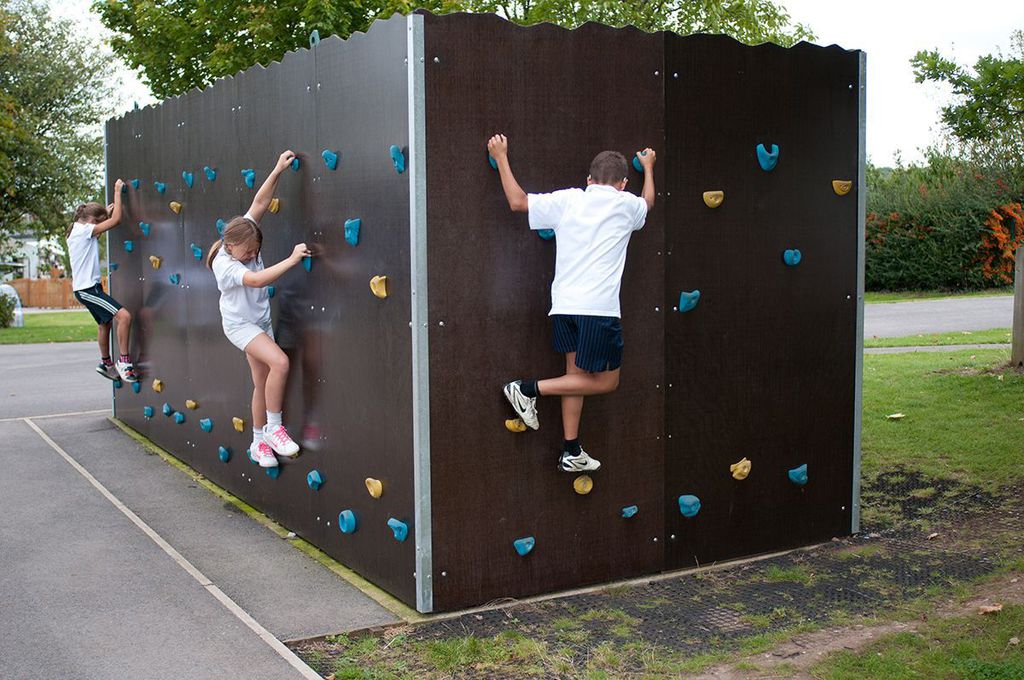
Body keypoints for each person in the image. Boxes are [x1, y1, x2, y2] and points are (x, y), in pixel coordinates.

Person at [487, 134, 655, 472]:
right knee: (608, 381)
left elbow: (518, 202)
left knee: (575, 374)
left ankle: (571, 450)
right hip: (599, 310)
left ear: (589, 180)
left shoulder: (569, 200)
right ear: (623, 184)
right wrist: (649, 169)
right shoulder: (628, 205)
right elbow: (649, 201)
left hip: (563, 306)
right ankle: (525, 389)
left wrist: (501, 156)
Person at [205, 150, 310, 468]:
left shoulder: (242, 233)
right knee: (280, 362)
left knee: (261, 381)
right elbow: (254, 281)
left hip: (259, 321)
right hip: (240, 326)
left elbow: (260, 203)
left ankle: (257, 443)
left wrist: (277, 169)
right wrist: (291, 260)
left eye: (256, 252)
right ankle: (275, 429)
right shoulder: (225, 265)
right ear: (231, 246)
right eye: (248, 253)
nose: (252, 256)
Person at [68, 179, 139, 383]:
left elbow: (104, 225)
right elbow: (116, 221)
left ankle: (106, 363)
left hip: (85, 289)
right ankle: (124, 363)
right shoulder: (84, 231)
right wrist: (117, 192)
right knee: (124, 317)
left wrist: (104, 216)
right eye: (100, 223)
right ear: (92, 222)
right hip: (89, 290)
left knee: (105, 323)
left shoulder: (77, 230)